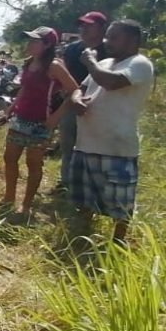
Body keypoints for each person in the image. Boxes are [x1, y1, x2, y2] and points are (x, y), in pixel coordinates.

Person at [68, 20, 153, 246]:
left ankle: (118, 243)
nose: (107, 41)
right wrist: (76, 99)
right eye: (107, 36)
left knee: (120, 204)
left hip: (116, 147)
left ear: (132, 40)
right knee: (85, 197)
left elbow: (111, 83)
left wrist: (90, 62)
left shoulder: (139, 64)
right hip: (86, 143)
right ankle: (82, 237)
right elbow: (81, 88)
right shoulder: (105, 63)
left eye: (114, 37)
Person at [0, 27, 78, 215]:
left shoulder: (54, 66)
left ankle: (26, 205)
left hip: (41, 123)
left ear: (47, 44)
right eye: (30, 40)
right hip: (20, 119)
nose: (29, 44)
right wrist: (11, 109)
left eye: (35, 41)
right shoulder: (29, 63)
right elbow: (24, 89)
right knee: (9, 158)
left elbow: (74, 91)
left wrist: (55, 118)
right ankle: (9, 197)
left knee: (33, 163)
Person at [53, 11, 109, 194]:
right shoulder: (72, 49)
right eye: (82, 25)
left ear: (101, 28)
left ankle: (91, 185)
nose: (83, 29)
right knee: (68, 144)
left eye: (89, 25)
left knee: (95, 147)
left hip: (100, 106)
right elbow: (63, 72)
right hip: (71, 103)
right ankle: (66, 181)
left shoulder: (110, 51)